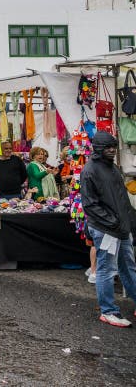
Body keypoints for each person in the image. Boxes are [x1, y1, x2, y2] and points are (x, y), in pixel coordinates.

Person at [80, 131, 136, 327]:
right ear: (98, 149)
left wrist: (130, 223)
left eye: (113, 146)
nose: (112, 150)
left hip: (120, 228)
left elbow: (121, 199)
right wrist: (113, 222)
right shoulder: (90, 171)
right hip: (106, 230)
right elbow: (90, 205)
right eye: (108, 147)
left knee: (128, 268)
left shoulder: (112, 168)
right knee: (106, 270)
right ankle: (108, 311)